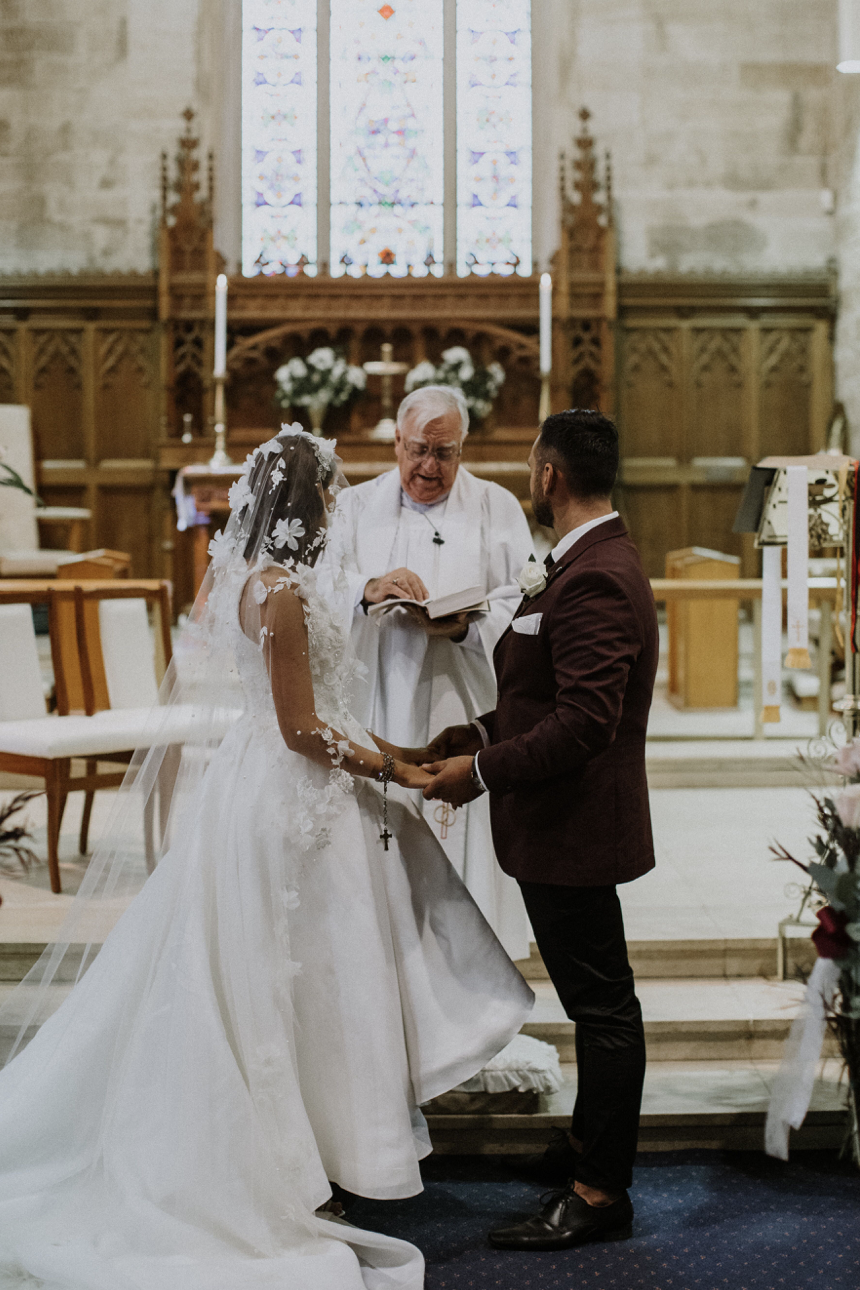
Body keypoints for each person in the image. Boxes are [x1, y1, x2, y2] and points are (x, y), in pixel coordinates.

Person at [0, 427, 533, 1289]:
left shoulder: (277, 582)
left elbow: (317, 712)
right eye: (329, 494)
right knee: (302, 977)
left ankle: (325, 1148)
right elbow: (299, 727)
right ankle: (291, 1160)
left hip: (287, 786)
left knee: (320, 977)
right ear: (303, 502)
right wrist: (396, 770)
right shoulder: (278, 591)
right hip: (290, 800)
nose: (336, 507)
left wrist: (403, 745)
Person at [422, 408, 658, 1251]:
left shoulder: (594, 574)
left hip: (575, 828)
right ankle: (586, 1153)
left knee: (603, 1008)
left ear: (549, 475)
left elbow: (585, 722)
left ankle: (599, 1192)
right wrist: (481, 732)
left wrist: (478, 773)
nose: (530, 474)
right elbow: (546, 698)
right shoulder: (582, 563)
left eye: (532, 463)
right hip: (562, 823)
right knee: (600, 1001)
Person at [321, 384, 533, 961]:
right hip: (378, 699)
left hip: (462, 705)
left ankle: (471, 969)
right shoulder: (354, 507)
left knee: (463, 838)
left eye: (445, 453)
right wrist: (366, 592)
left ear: (464, 450)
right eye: (418, 449)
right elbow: (313, 590)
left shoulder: (498, 507)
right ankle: (388, 960)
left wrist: (465, 627)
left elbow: (525, 602)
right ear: (396, 442)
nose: (429, 466)